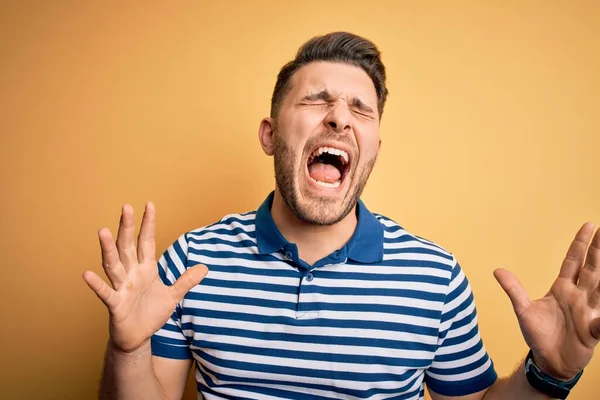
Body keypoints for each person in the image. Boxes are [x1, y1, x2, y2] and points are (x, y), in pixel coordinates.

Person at [83, 32, 600, 400]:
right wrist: (126, 348)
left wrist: (549, 373)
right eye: (316, 100)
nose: (338, 118)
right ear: (269, 135)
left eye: (361, 109)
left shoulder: (434, 277)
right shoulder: (192, 262)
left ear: (374, 146)